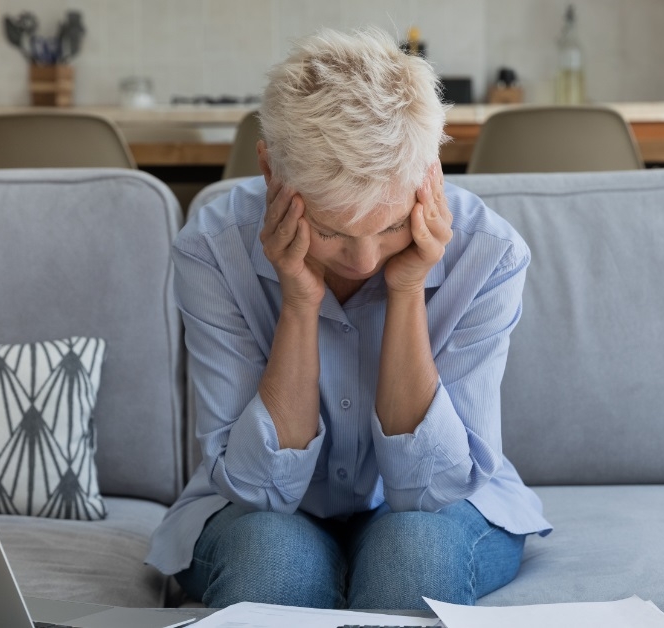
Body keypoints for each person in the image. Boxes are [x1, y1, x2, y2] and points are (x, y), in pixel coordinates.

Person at [146, 27, 551, 610]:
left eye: (389, 227)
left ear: (428, 171)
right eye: (331, 232)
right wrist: (299, 301)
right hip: (261, 510)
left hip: (442, 508)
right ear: (269, 171)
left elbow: (427, 489)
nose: (362, 260)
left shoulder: (488, 254)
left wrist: (408, 287)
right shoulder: (213, 250)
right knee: (272, 562)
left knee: (409, 556)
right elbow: (262, 492)